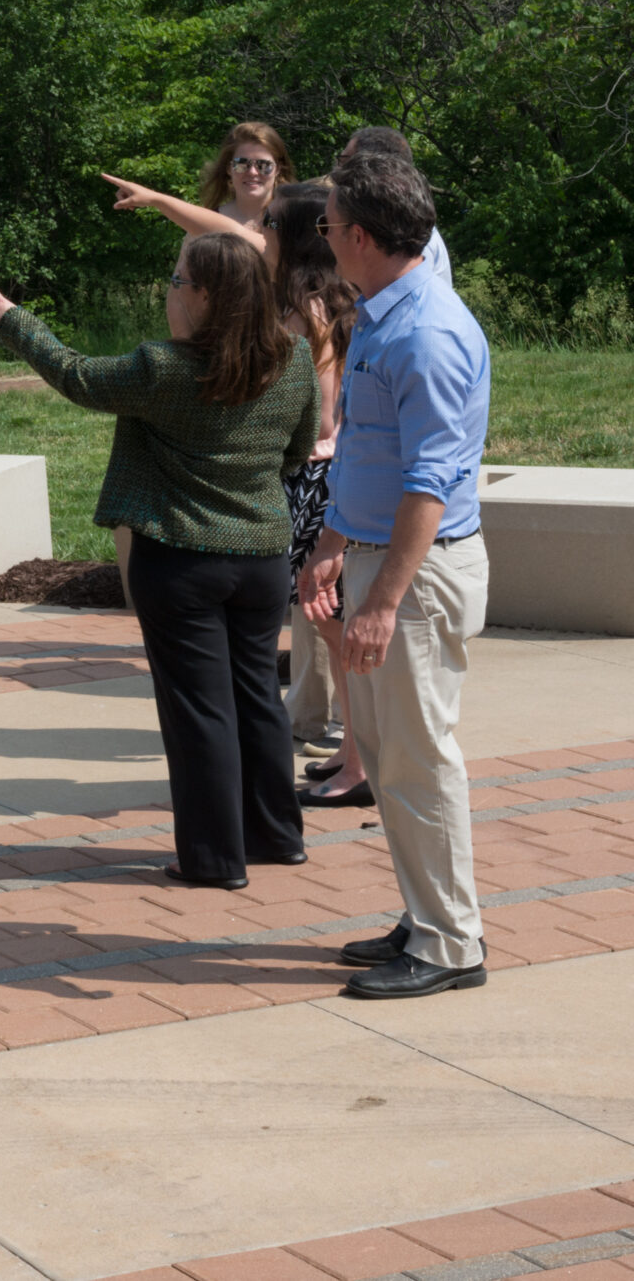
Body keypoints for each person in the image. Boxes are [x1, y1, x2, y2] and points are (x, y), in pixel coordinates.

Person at [0, 231, 319, 889]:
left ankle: (214, 859)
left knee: (200, 711)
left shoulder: (162, 367)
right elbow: (297, 450)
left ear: (202, 296)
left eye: (174, 280)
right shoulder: (297, 358)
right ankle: (278, 836)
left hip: (181, 561)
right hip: (261, 560)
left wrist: (14, 322)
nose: (167, 292)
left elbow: (76, 376)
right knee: (258, 697)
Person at [300, 149, 491, 999]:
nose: (325, 238)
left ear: (365, 236)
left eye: (330, 226)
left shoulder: (427, 332)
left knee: (418, 761)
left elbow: (429, 488)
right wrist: (333, 539)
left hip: (415, 576)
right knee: (382, 753)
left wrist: (380, 602)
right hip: (378, 562)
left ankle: (451, 945)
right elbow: (375, 457)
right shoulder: (382, 312)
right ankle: (426, 916)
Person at [261, 186, 364, 804]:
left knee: (332, 627)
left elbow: (323, 419)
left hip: (313, 479)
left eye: (271, 223)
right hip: (329, 479)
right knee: (333, 629)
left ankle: (358, 764)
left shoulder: (305, 309)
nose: (262, 232)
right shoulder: (334, 299)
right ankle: (353, 754)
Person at [100, 121, 294, 253]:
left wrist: (156, 199)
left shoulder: (297, 218)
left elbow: (259, 248)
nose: (252, 172)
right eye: (242, 164)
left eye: (263, 165)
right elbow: (181, 293)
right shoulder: (198, 226)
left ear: (278, 169)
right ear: (228, 169)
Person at [332, 127, 453, 284]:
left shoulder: (410, 241)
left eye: (344, 160)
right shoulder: (392, 222)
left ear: (371, 167)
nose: (336, 169)